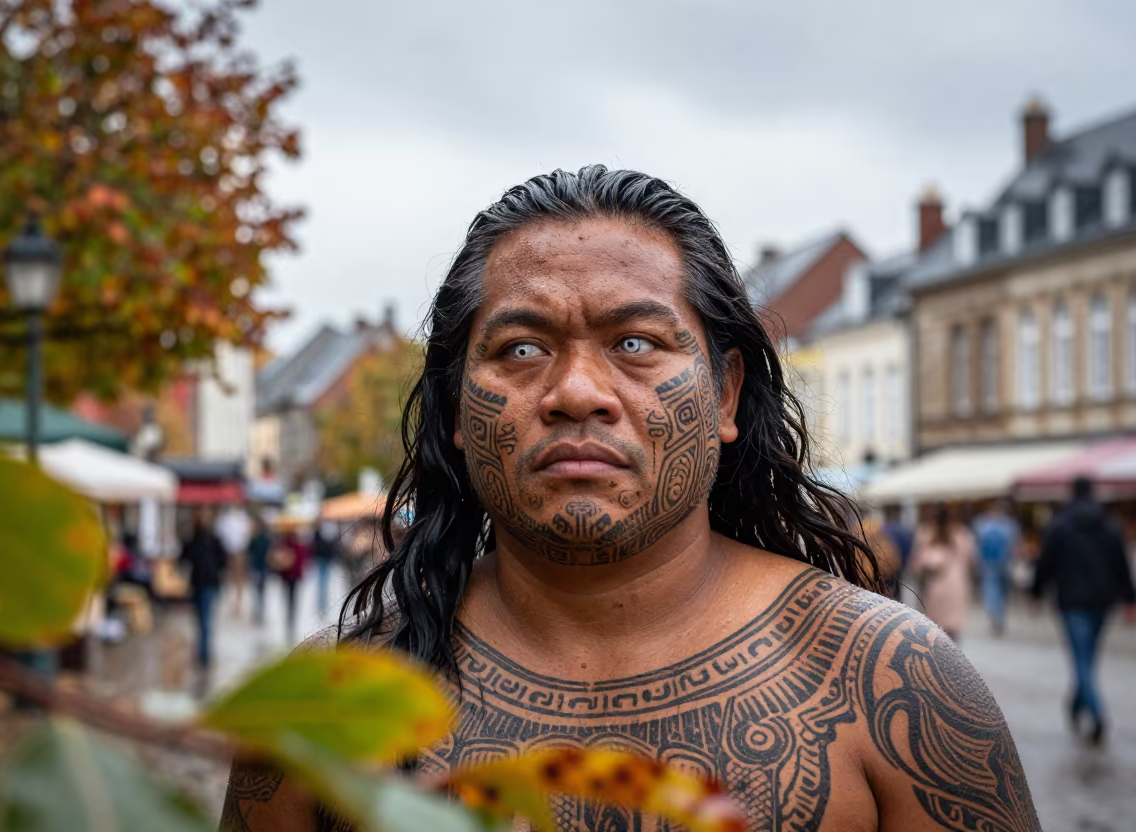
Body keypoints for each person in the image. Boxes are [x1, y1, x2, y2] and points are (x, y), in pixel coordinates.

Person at [222, 166, 1039, 832]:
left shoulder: (892, 685)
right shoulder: (321, 707)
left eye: (636, 344)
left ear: (725, 394)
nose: (578, 391)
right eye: (522, 347)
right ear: (456, 413)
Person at [1032, 476, 1136, 745]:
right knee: (1087, 659)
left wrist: (1036, 593)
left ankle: (1097, 715)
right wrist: (1130, 599)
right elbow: (1121, 563)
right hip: (1103, 602)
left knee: (1082, 661)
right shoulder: (1109, 525)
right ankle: (1078, 706)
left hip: (1072, 602)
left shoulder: (1061, 525)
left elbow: (1045, 562)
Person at [910, 505, 976, 643]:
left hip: (934, 585)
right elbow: (973, 559)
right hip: (957, 583)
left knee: (935, 626)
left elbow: (917, 563)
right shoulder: (962, 534)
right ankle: (952, 656)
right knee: (952, 625)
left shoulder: (925, 533)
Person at [179, 508, 228, 672]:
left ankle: (204, 654)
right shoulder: (193, 539)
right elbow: (184, 558)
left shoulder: (213, 539)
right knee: (199, 619)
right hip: (197, 584)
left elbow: (223, 559)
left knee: (205, 620)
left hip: (209, 584)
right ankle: (201, 651)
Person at [972, 499, 1021, 636]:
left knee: (992, 590)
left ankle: (995, 616)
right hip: (1002, 563)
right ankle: (998, 617)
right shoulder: (1010, 525)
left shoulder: (982, 524)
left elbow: (977, 544)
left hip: (990, 564)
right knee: (999, 591)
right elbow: (1015, 546)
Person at [216, 505, 252, 618]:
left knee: (239, 579)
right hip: (228, 551)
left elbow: (247, 533)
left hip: (239, 550)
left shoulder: (243, 518)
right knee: (228, 577)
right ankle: (230, 601)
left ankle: (238, 603)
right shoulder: (224, 518)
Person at [275, 526, 307, 642]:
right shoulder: (297, 545)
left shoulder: (284, 544)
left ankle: (289, 615)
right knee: (292, 596)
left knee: (289, 595)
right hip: (293, 576)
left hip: (288, 576)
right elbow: (302, 560)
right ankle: (291, 615)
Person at [880, 503, 914, 600]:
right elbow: (909, 550)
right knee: (897, 597)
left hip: (883, 570)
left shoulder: (881, 529)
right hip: (898, 570)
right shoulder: (903, 530)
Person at [246, 514, 273, 625]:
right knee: (255, 592)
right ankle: (256, 612)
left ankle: (260, 613)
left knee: (261, 591)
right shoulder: (254, 538)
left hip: (262, 568)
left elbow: (269, 552)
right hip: (255, 567)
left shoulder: (264, 538)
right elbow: (249, 552)